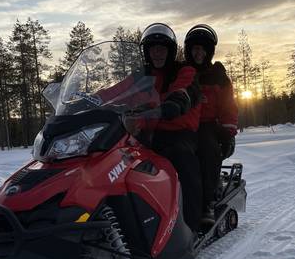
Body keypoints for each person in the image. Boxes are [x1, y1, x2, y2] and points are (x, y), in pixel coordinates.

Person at [96, 23, 203, 233]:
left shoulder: (184, 70)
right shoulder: (140, 76)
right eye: (153, 48)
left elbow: (183, 89)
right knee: (114, 162)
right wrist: (89, 100)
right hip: (145, 133)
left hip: (177, 131)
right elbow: (115, 92)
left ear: (170, 51)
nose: (157, 53)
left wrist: (175, 102)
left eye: (162, 48)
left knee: (180, 158)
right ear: (146, 51)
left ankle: (191, 224)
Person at [184, 24, 238, 225]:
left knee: (207, 149)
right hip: (183, 125)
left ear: (209, 51)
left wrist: (229, 130)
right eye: (194, 49)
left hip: (209, 125)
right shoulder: (182, 72)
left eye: (202, 49)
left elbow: (228, 105)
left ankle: (207, 202)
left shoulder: (218, 76)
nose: (198, 53)